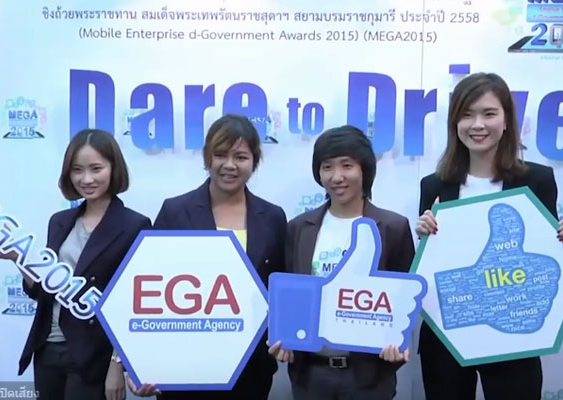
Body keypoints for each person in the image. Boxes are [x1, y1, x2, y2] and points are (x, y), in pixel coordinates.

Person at [415, 72, 561, 400]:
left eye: (489, 113)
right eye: (466, 115)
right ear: (455, 123)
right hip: (447, 334)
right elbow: (431, 265)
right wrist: (424, 233)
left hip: (514, 338)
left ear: (506, 121)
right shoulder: (433, 185)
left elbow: (547, 253)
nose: (477, 124)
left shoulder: (537, 180)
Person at [0, 129, 152, 400]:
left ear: (113, 169)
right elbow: (42, 290)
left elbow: (132, 302)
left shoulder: (135, 225)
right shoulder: (59, 221)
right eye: (77, 170)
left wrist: (116, 365)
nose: (86, 179)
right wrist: (17, 258)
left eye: (96, 168)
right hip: (47, 348)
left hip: (92, 354)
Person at [128, 114, 286, 400]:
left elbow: (280, 288)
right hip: (183, 368)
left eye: (241, 157)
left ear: (254, 161)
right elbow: (147, 290)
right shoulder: (175, 211)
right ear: (207, 158)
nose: (230, 165)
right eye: (220, 155)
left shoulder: (273, 217)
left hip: (250, 370)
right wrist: (138, 362)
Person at [269, 125, 415, 400]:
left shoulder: (393, 227)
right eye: (327, 167)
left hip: (369, 377)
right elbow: (290, 294)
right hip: (311, 375)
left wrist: (397, 340)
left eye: (347, 165)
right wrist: (284, 337)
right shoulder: (299, 228)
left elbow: (402, 297)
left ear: (364, 169)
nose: (337, 177)